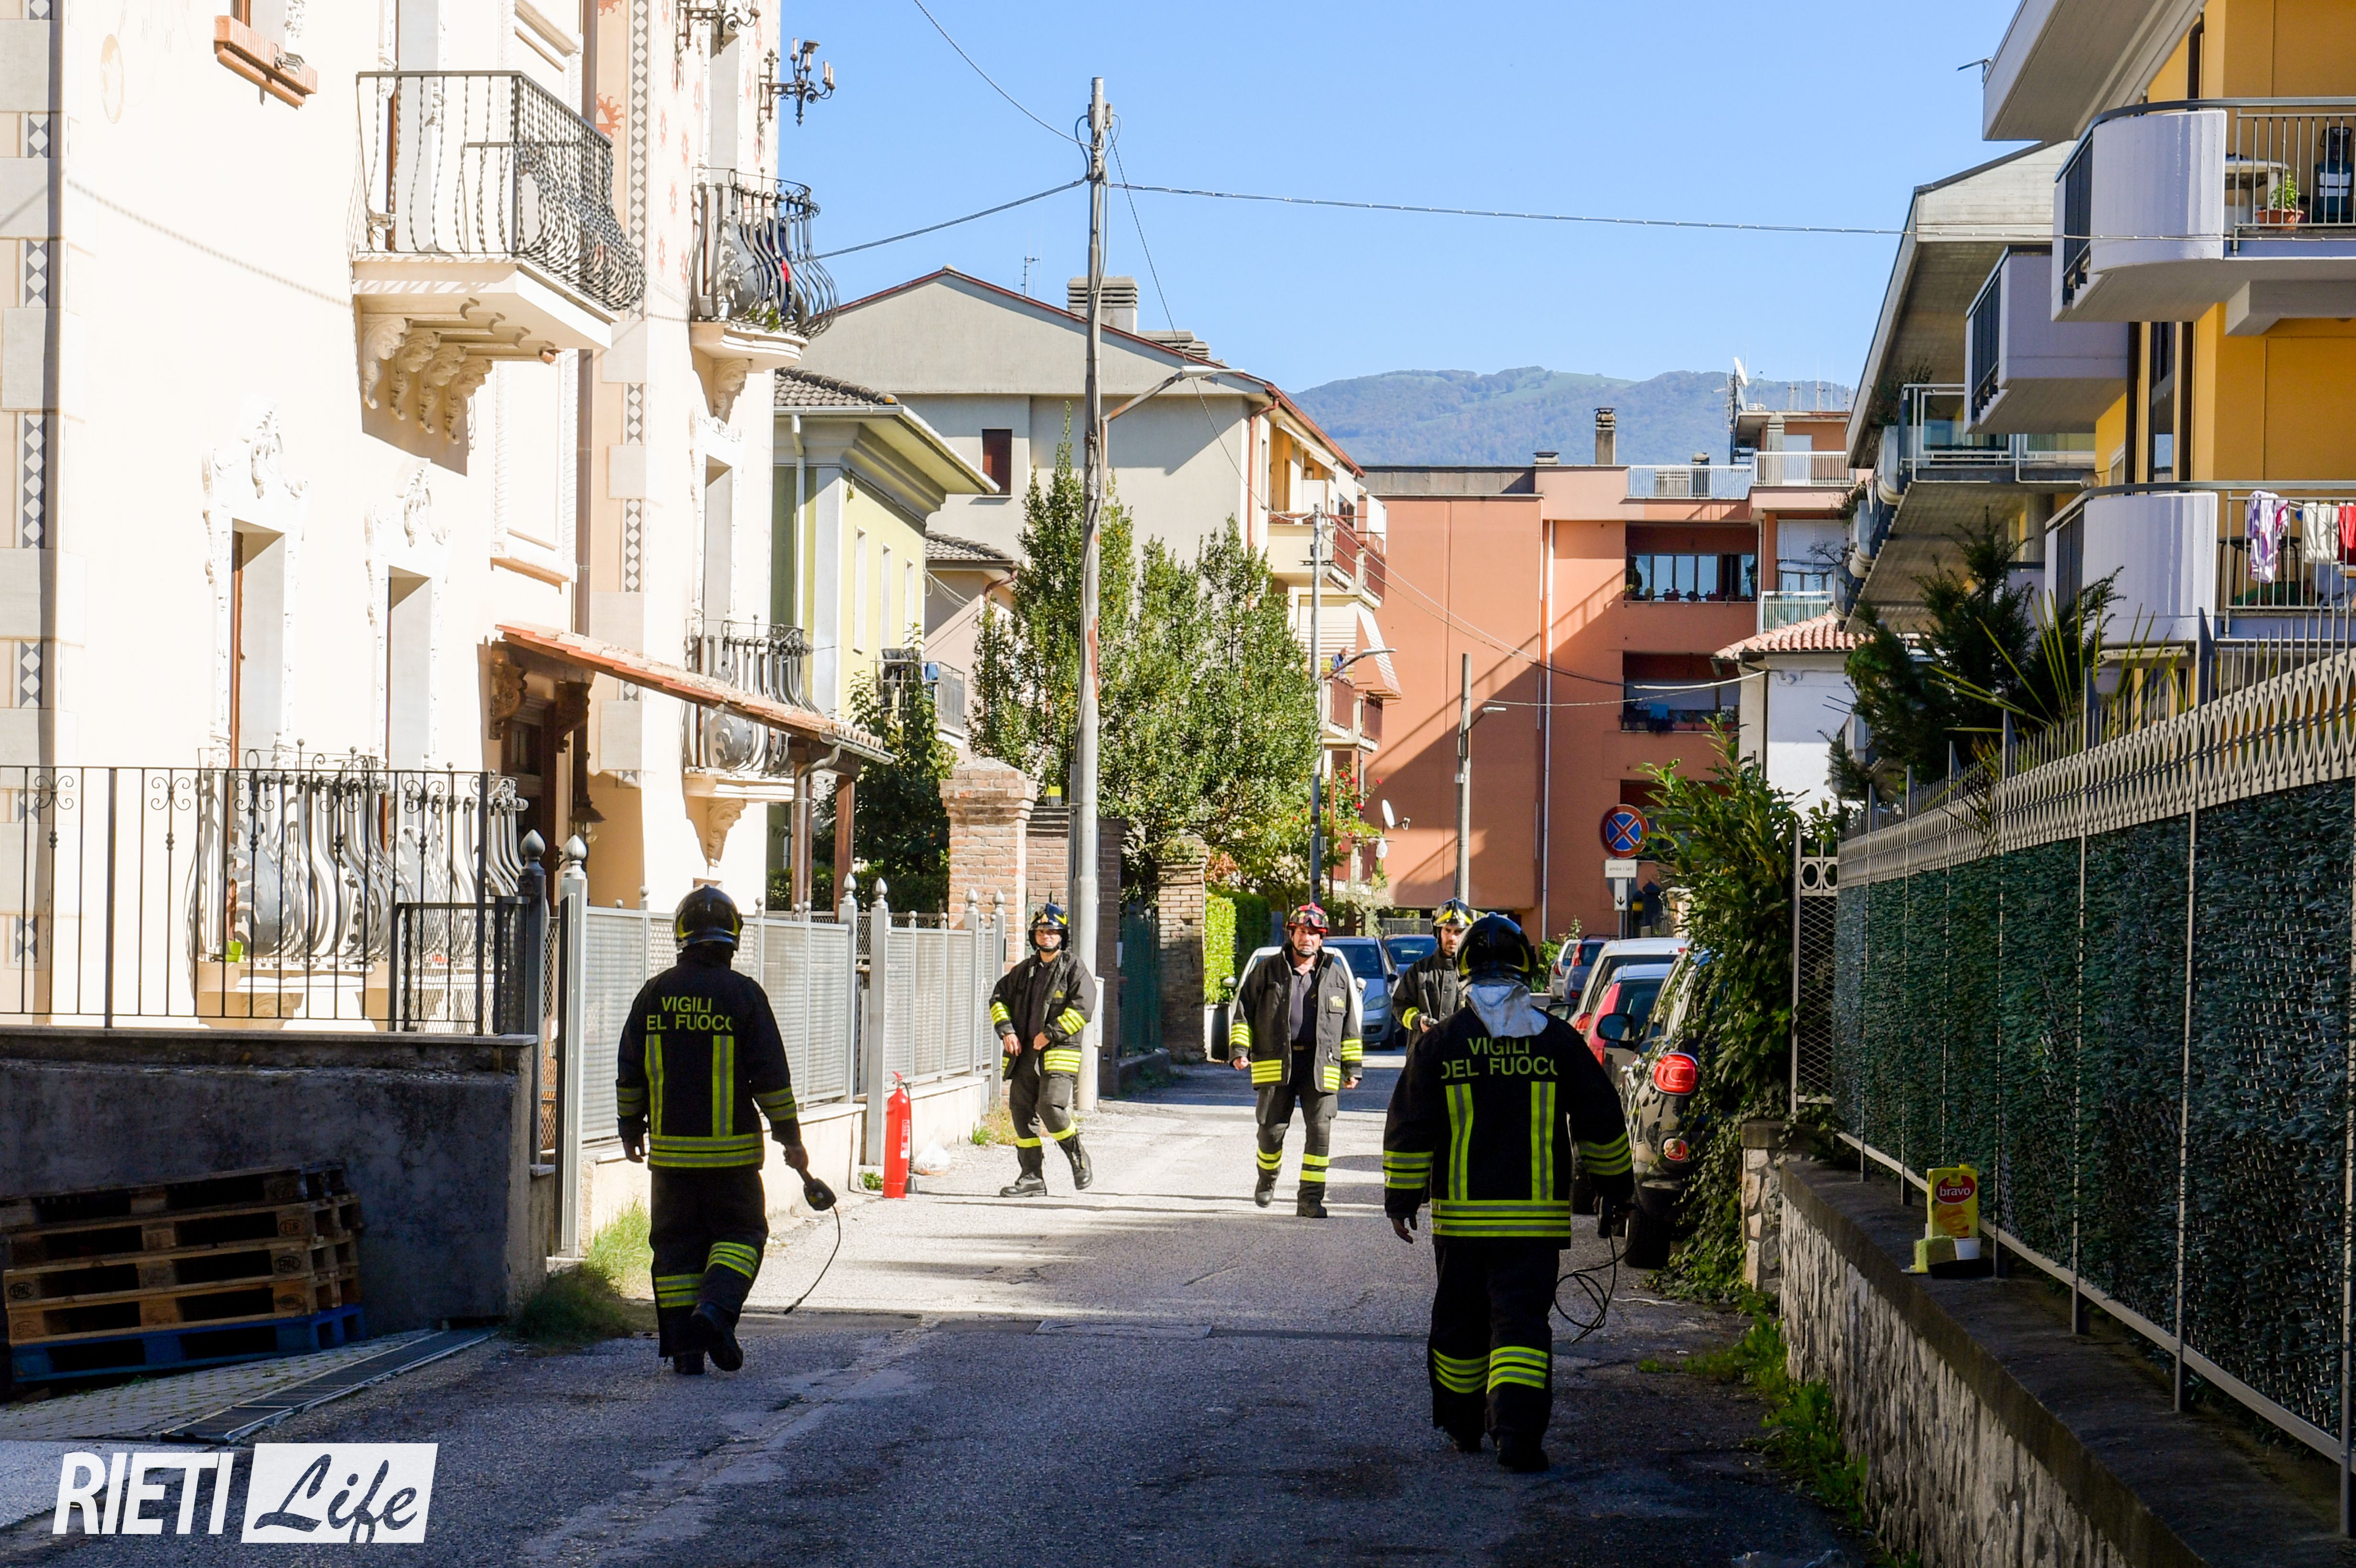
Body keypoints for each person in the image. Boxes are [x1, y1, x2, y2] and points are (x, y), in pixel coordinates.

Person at [1382, 913, 1633, 1472]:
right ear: (1527, 969)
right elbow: (1599, 1119)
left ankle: (1462, 1427)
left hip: (1462, 1226)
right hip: (1532, 1226)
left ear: (1464, 970)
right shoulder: (1558, 1042)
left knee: (1460, 1325)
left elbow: (1409, 1126)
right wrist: (1616, 1190)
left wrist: (1401, 1199)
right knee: (1520, 1328)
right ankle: (1517, 1438)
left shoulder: (1441, 1043)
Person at [616, 885, 806, 1377]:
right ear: (733, 938)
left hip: (671, 1160)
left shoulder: (654, 994)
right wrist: (790, 1138)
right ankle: (716, 1311)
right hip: (731, 1158)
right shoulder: (743, 995)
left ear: (681, 936)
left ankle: (686, 1352)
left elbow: (630, 1071)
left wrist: (629, 1127)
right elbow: (771, 1078)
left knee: (676, 1248)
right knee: (741, 1233)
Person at [1230, 903, 1362, 1218]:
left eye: (1314, 934)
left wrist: (1353, 1067)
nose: (1307, 938)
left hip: (1321, 1065)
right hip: (1277, 1063)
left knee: (1320, 1134)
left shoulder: (1336, 974)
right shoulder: (1268, 970)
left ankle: (1311, 1200)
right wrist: (1239, 1050)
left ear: (1322, 939)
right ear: (1291, 934)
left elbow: (1349, 1024)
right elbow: (1243, 1011)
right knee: (1271, 1132)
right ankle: (1267, 1178)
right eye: (1302, 931)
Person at [988, 904, 1098, 1198]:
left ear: (1062, 936)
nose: (1046, 936)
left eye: (1052, 932)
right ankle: (1031, 1177)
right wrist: (1007, 1031)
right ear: (1033, 937)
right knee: (1021, 1112)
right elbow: (998, 999)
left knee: (1051, 1107)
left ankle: (1078, 1157)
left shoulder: (1074, 968)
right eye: (1041, 932)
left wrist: (1050, 1035)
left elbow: (1083, 1008)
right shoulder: (1023, 971)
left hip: (1059, 1052)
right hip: (1025, 1054)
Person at [1392, 900, 1477, 1069]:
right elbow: (1400, 1006)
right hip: (1423, 1059)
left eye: (1458, 932)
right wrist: (1419, 1021)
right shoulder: (1419, 971)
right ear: (1438, 932)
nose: (1452, 938)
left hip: (1464, 1062)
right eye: (1448, 931)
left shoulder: (1477, 974)